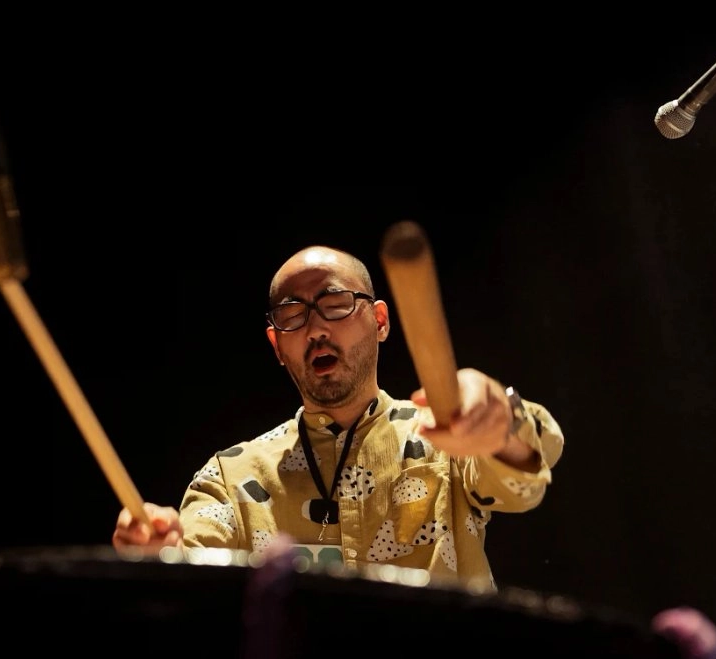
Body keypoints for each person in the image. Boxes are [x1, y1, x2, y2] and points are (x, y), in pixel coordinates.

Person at [112, 245, 564, 590]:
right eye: (293, 315)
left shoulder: (441, 436)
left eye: (335, 304)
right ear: (277, 348)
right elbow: (196, 575)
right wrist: (162, 555)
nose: (316, 329)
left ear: (380, 321)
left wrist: (499, 424)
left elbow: (526, 478)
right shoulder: (231, 475)